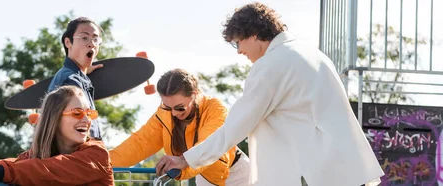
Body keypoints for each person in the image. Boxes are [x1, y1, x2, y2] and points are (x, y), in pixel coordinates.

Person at [157, 2, 384, 186]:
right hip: (346, 171)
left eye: (238, 42)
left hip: (314, 174)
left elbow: (235, 127)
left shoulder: (271, 66)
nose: (240, 51)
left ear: (254, 34)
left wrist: (184, 159)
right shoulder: (311, 54)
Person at [109, 69, 251, 186]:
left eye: (180, 108)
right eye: (168, 107)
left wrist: (183, 161)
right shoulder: (164, 114)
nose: (174, 113)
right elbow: (139, 143)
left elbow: (208, 145)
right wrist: (100, 163)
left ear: (194, 94)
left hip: (236, 173)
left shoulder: (215, 108)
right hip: (205, 177)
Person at [0, 85, 113, 186]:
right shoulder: (41, 154)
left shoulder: (97, 154)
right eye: (77, 113)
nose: (87, 120)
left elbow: (49, 170)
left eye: (89, 113)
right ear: (54, 118)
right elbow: (14, 163)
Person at [47, 17, 105, 140]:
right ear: (68, 42)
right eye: (84, 37)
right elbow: (80, 131)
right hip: (79, 157)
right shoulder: (71, 81)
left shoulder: (70, 76)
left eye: (95, 39)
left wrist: (83, 73)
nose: (91, 44)